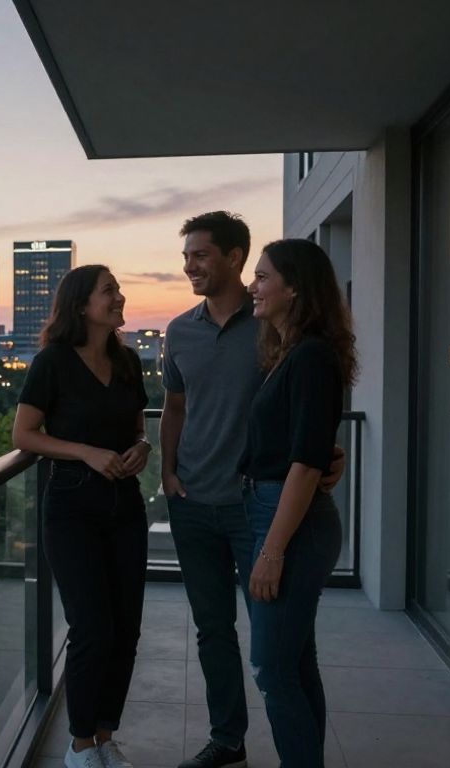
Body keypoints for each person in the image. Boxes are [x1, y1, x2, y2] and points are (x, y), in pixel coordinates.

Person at [163, 212, 343, 768]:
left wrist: (323, 457)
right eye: (186, 254)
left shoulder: (273, 330)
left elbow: (306, 416)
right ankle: (228, 740)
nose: (189, 265)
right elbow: (175, 406)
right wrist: (168, 473)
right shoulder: (180, 331)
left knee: (280, 655)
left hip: (257, 510)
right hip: (194, 503)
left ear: (236, 258)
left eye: (200, 254)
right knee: (214, 631)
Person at [12, 265, 151, 768]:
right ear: (81, 306)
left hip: (125, 506)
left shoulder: (128, 361)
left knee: (126, 628)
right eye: (109, 291)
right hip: (71, 508)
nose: (119, 297)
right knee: (92, 626)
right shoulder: (52, 362)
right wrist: (85, 452)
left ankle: (105, 736)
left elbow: (137, 428)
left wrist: (143, 447)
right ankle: (79, 746)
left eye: (116, 289)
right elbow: (24, 435)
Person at [240, 238, 357, 768]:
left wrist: (272, 551)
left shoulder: (310, 357)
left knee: (273, 668)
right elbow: (304, 445)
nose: (253, 286)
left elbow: (306, 464)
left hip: (291, 523)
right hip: (280, 513)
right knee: (295, 661)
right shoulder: (291, 353)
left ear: (294, 287)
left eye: (262, 277)